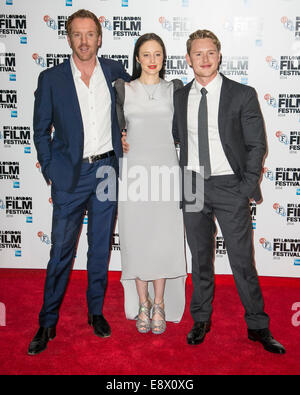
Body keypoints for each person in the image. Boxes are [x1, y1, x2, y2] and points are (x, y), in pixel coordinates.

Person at [172, 29, 286, 353]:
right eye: (198, 53)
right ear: (189, 59)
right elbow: (177, 136)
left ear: (219, 56)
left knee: (241, 260)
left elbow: (256, 145)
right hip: (193, 184)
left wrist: (245, 188)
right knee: (200, 258)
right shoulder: (180, 97)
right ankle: (201, 318)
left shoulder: (242, 94)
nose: (204, 59)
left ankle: (257, 325)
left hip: (228, 187)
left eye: (210, 52)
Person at [28, 9, 130, 356]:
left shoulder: (115, 72)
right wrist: (51, 171)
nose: (84, 41)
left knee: (100, 248)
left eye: (90, 34)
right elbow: (40, 131)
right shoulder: (51, 78)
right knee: (60, 251)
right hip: (70, 176)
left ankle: (96, 312)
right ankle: (47, 320)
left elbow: (138, 103)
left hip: (106, 172)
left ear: (99, 38)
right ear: (68, 38)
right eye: (77, 34)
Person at [115, 33, 187, 335]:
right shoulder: (122, 89)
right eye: (146, 54)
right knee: (137, 238)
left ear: (164, 58)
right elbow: (111, 127)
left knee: (162, 239)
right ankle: (142, 303)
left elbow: (185, 129)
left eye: (158, 54)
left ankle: (159, 303)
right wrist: (120, 138)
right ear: (137, 58)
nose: (152, 60)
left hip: (166, 174)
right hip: (133, 175)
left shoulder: (176, 89)